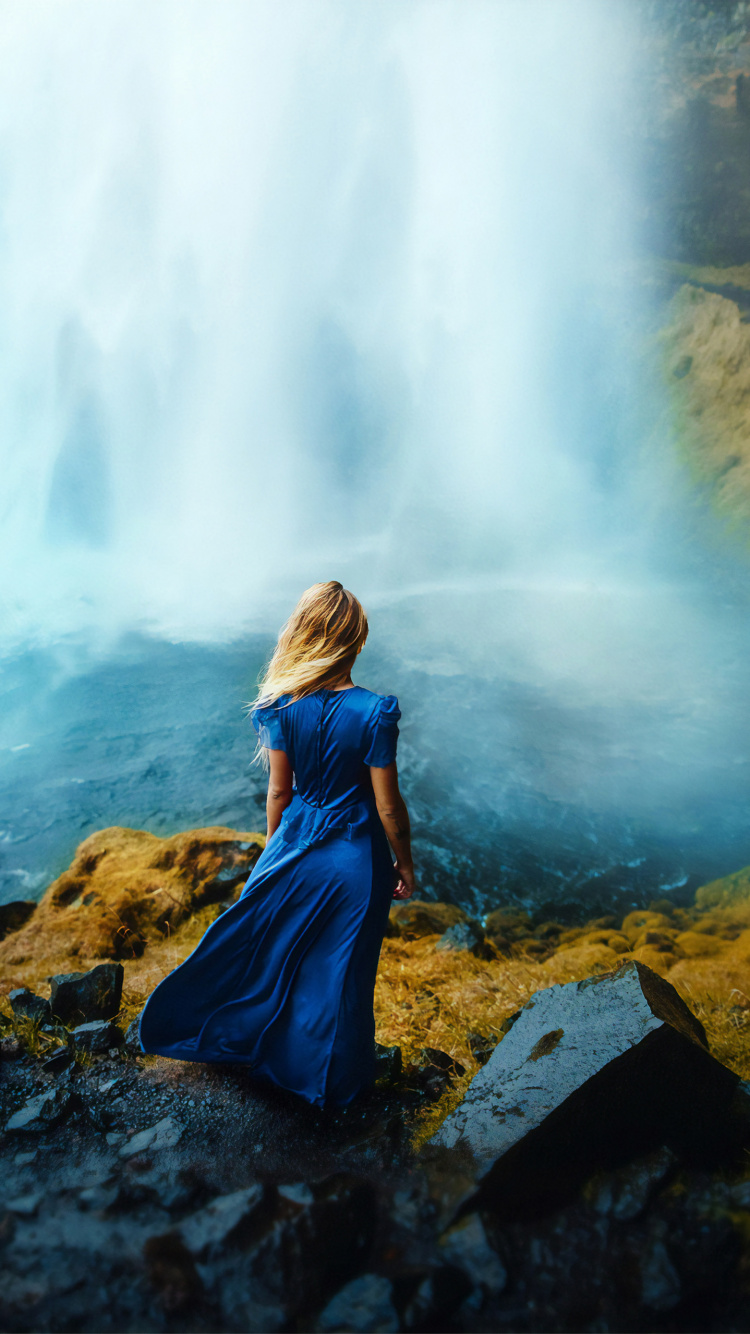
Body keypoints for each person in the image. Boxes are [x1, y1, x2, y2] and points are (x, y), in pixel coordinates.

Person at [139, 580, 416, 1108]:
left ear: (304, 635)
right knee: (341, 973)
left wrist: (275, 852)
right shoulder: (376, 711)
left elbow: (279, 791)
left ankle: (236, 1040)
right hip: (357, 858)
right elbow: (387, 807)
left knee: (269, 952)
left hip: (294, 842)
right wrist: (404, 861)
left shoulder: (279, 706)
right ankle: (333, 1084)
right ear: (355, 640)